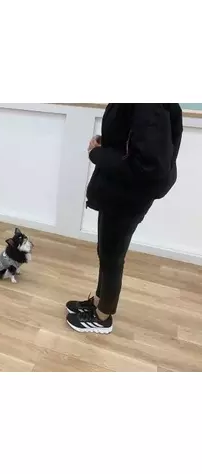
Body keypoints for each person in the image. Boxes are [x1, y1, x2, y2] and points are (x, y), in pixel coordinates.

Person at [65, 103, 183, 334]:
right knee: (106, 252)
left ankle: (102, 317)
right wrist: (106, 143)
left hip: (129, 195)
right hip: (118, 190)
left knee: (112, 256)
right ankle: (99, 302)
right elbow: (131, 141)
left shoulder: (149, 105)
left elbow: (150, 165)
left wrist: (97, 154)